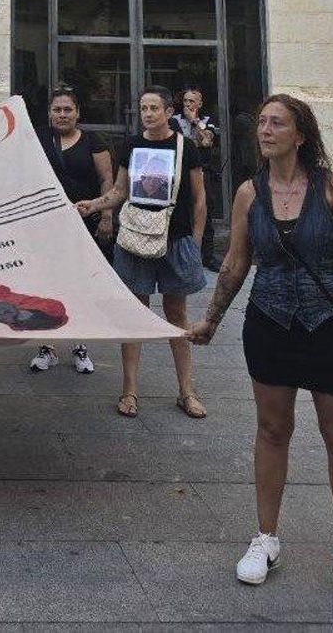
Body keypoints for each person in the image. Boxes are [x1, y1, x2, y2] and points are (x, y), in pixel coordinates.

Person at [187, 94, 333, 609]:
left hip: (330, 325)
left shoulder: (332, 189)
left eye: (277, 123)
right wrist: (210, 321)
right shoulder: (250, 193)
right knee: (272, 430)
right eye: (262, 122)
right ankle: (266, 537)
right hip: (269, 323)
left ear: (301, 135)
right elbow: (234, 265)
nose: (265, 130)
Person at [75, 85, 208, 419]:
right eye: (143, 108)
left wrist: (196, 240)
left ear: (167, 111)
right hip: (134, 238)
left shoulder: (185, 146)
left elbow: (200, 197)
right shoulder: (131, 145)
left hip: (174, 240)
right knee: (135, 314)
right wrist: (94, 204)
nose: (147, 114)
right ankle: (130, 391)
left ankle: (186, 391)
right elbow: (120, 190)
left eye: (153, 108)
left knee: (177, 315)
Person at [30, 88, 115, 374]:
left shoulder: (93, 141)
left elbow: (107, 181)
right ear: (49, 113)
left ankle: (80, 345)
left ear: (78, 112)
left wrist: (106, 215)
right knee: (48, 284)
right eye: (57, 109)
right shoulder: (38, 138)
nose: (62, 114)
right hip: (46, 225)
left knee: (80, 285)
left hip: (84, 225)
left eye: (68, 109)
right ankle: (48, 347)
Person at [173, 87, 222, 271]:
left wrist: (195, 123)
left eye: (192, 101)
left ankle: (207, 256)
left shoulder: (208, 120)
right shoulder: (174, 120)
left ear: (200, 104)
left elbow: (207, 142)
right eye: (185, 101)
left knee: (205, 211)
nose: (188, 105)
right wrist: (197, 140)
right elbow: (180, 144)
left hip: (203, 172)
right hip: (181, 172)